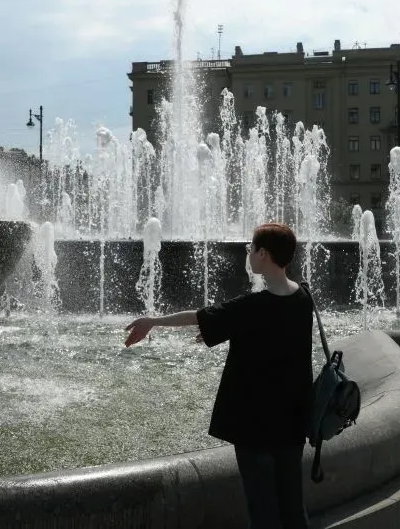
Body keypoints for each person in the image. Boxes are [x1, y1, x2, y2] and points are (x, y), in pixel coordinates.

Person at [125, 222, 313, 528]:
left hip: (256, 428)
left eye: (251, 248)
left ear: (263, 254)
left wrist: (153, 321)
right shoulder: (304, 298)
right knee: (293, 508)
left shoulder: (253, 306)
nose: (248, 253)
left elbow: (199, 316)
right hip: (292, 423)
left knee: (263, 510)